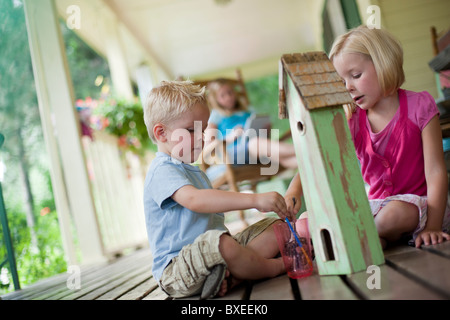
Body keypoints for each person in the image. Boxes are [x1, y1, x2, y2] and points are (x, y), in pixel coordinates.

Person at [143, 80, 295, 299]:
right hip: (178, 270)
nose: (201, 138)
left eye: (203, 130)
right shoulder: (162, 170)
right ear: (161, 133)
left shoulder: (195, 172)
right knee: (221, 243)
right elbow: (195, 200)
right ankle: (274, 267)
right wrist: (254, 200)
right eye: (190, 130)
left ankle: (232, 276)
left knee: (277, 227)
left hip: (217, 253)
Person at [328, 25, 450, 248]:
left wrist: (433, 226)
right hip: (377, 206)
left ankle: (360, 241)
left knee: (392, 216)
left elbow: (436, 171)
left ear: (383, 63)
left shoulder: (420, 106)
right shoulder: (352, 119)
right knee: (311, 220)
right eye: (342, 81)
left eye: (355, 75)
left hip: (420, 208)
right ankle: (377, 239)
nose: (349, 87)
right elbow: (324, 157)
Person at [204, 78, 298, 169]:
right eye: (222, 95)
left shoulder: (247, 111)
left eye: (230, 92)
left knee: (281, 157)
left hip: (255, 150)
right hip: (231, 154)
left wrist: (265, 131)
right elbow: (208, 148)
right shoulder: (215, 116)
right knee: (255, 144)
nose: (228, 97)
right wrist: (230, 138)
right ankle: (302, 150)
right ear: (215, 99)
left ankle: (308, 156)